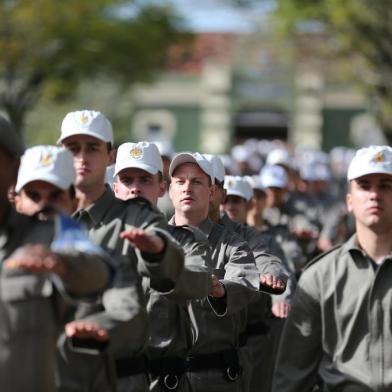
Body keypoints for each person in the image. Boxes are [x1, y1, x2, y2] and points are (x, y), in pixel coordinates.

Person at [56, 110, 184, 392]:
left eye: (93, 148)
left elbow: (169, 260)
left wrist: (158, 251)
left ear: (110, 156)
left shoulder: (137, 217)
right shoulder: (43, 219)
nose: (82, 157)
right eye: (72, 148)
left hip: (119, 378)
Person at [0, 116, 111, 392]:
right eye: (34, 195)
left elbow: (96, 272)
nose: (44, 207)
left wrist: (62, 264)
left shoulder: (58, 238)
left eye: (55, 195)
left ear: (13, 168)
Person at [273, 145, 392, 391]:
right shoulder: (320, 277)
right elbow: (292, 375)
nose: (374, 195)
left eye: (385, 186)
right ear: (349, 201)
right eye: (364, 185)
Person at [113, 141, 213, 391]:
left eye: (144, 180)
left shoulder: (185, 240)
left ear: (162, 188)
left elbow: (198, 282)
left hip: (165, 381)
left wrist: (162, 258)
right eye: (127, 180)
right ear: (114, 188)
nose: (135, 189)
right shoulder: (97, 239)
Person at [168, 151, 260, 392]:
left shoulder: (233, 245)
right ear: (169, 190)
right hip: (163, 379)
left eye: (197, 182)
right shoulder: (155, 243)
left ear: (212, 193)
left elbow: (245, 283)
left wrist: (220, 290)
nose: (187, 188)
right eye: (180, 181)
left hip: (215, 379)